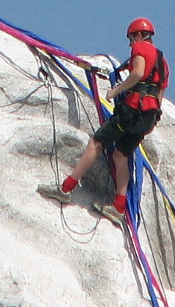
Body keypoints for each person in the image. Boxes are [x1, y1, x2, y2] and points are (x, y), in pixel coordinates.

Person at [49, 17, 168, 217]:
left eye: (131, 39)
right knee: (120, 155)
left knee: (96, 143)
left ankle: (66, 188)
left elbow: (138, 73)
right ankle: (119, 206)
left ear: (138, 35)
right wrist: (153, 115)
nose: (131, 44)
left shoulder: (140, 48)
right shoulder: (162, 61)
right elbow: (160, 92)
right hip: (148, 118)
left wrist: (116, 91)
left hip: (131, 111)